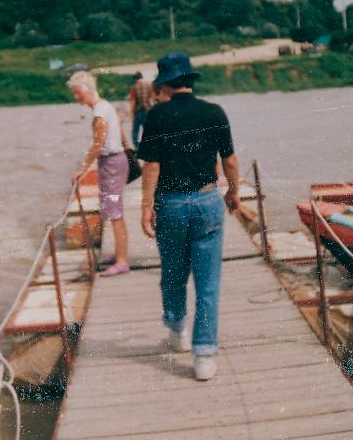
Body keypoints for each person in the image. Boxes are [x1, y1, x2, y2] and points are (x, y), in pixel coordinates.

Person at [137, 52, 240, 381]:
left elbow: (151, 166)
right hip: (209, 201)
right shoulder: (214, 111)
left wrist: (145, 206)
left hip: (171, 204)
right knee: (208, 283)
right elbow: (231, 160)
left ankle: (177, 329)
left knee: (173, 272)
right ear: (190, 81)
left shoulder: (156, 116)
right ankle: (204, 356)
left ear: (165, 84)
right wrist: (233, 191)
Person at [67, 71, 130, 277]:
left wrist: (83, 169)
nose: (76, 98)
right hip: (114, 162)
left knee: (115, 213)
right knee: (113, 211)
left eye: (77, 93)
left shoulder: (99, 113)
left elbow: (98, 143)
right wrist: (126, 146)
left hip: (111, 164)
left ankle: (122, 261)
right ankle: (118, 254)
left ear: (86, 90)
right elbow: (119, 131)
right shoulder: (105, 106)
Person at [128, 72, 154, 148]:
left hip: (138, 110)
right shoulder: (148, 85)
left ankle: (137, 146)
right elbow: (152, 98)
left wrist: (131, 113)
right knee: (147, 129)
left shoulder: (134, 87)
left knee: (135, 130)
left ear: (135, 79)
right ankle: (149, 145)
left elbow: (133, 102)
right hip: (147, 110)